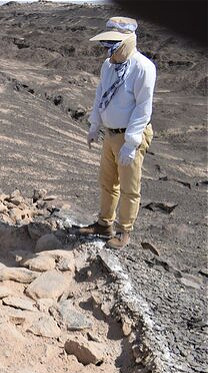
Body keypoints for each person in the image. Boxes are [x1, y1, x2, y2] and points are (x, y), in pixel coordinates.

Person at [79, 17, 156, 250]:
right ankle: (104, 224)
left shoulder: (143, 68)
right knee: (107, 182)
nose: (109, 48)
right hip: (110, 135)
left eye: (114, 42)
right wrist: (94, 126)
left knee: (129, 188)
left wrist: (131, 143)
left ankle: (124, 231)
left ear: (128, 40)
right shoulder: (108, 65)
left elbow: (143, 108)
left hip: (130, 135)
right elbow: (101, 96)